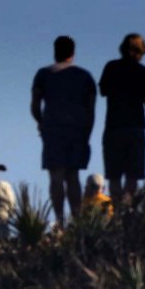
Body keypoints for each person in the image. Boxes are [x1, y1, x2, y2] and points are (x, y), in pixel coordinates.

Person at [31, 36, 96, 224]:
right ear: (73, 53)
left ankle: (60, 220)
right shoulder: (85, 76)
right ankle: (77, 219)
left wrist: (41, 122)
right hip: (77, 130)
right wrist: (87, 132)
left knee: (56, 175)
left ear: (55, 51)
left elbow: (35, 105)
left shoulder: (44, 74)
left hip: (53, 129)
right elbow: (91, 110)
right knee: (73, 175)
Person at [99, 33, 145, 202]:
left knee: (114, 176)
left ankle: (117, 212)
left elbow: (103, 91)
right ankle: (127, 211)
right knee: (133, 176)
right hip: (136, 127)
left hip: (114, 126)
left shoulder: (111, 67)